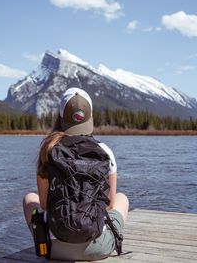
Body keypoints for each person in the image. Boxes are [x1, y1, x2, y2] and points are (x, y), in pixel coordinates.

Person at [23, 87, 129, 261]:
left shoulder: (48, 150)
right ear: (89, 118)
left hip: (53, 248)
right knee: (122, 198)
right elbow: (109, 205)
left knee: (29, 198)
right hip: (97, 248)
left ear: (61, 118)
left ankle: (43, 240)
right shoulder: (104, 151)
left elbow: (43, 204)